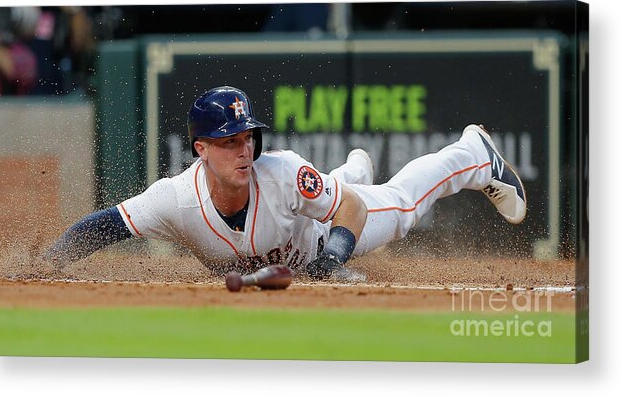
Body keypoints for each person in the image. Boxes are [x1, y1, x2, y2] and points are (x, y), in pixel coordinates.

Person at [45, 86, 527, 282]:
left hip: (326, 236)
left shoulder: (279, 170)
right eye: (227, 140)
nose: (242, 149)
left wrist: (333, 259)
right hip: (305, 222)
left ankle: (473, 155)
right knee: (327, 190)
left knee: (397, 210)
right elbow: (106, 225)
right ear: (200, 149)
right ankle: (350, 171)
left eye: (247, 137)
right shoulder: (174, 200)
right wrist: (46, 264)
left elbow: (352, 213)